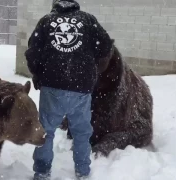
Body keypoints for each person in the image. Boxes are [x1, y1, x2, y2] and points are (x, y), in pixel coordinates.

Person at [24, 0, 114, 179]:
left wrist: (38, 74)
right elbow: (106, 47)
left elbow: (33, 52)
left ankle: (42, 173)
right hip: (81, 89)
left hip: (52, 87)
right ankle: (83, 171)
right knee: (81, 132)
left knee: (46, 132)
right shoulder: (88, 20)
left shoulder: (46, 21)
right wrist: (92, 70)